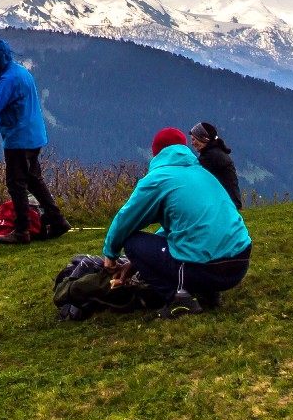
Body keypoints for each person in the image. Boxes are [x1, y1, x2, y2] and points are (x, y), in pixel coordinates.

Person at [102, 127, 253, 317]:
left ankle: (179, 298)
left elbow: (126, 219)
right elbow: (184, 226)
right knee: (194, 240)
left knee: (132, 242)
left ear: (156, 153)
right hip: (239, 264)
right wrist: (136, 263)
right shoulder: (203, 173)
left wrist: (110, 254)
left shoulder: (158, 179)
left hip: (207, 269)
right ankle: (208, 293)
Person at [0, 38, 68, 243]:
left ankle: (22, 230)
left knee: (16, 184)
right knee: (34, 179)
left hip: (19, 138)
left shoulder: (8, 80)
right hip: (34, 136)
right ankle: (57, 219)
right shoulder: (21, 72)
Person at [189, 121, 242, 207]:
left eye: (193, 139)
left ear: (203, 138)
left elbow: (193, 176)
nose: (192, 143)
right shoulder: (216, 152)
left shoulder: (211, 157)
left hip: (225, 205)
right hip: (230, 203)